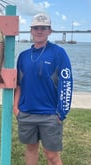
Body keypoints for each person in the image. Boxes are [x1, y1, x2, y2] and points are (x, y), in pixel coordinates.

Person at [13, 13, 73, 165]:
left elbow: (66, 83)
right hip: (26, 112)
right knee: (31, 149)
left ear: (49, 31)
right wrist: (16, 107)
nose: (39, 31)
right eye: (36, 28)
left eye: (43, 28)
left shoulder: (59, 53)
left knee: (52, 156)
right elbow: (19, 84)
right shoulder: (23, 56)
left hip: (50, 114)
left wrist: (61, 113)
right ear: (31, 30)